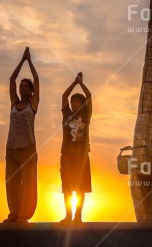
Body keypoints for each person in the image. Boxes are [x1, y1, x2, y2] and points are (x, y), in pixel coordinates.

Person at [4, 47, 40, 223]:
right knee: (11, 183)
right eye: (21, 86)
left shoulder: (32, 105)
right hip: (11, 148)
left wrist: (30, 62)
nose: (22, 88)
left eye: (26, 86)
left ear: (31, 90)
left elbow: (37, 79)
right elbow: (11, 79)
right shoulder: (14, 103)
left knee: (28, 184)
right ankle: (14, 213)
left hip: (28, 149)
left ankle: (24, 215)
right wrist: (22, 60)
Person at [60, 72, 92, 223]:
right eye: (72, 102)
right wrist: (74, 82)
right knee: (67, 187)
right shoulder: (66, 113)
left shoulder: (85, 114)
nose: (73, 104)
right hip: (66, 155)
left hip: (81, 156)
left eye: (77, 101)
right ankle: (68, 216)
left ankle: (77, 216)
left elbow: (89, 95)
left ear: (82, 104)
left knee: (80, 187)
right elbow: (63, 96)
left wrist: (81, 83)